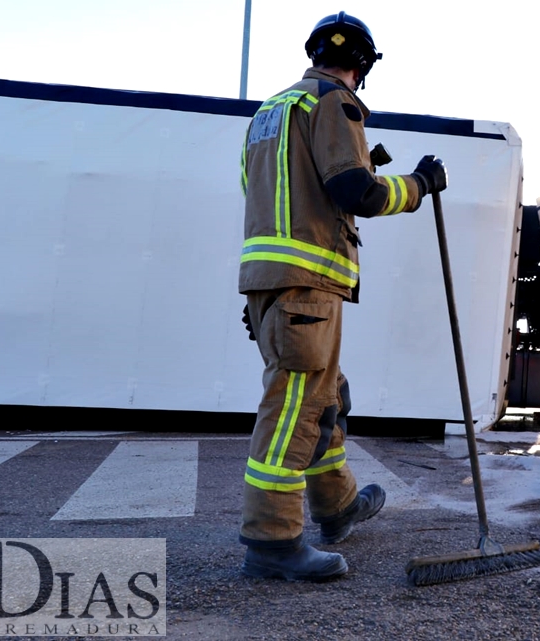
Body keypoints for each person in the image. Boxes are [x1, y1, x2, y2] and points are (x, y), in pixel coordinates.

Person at [236, 11, 448, 582]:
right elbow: (355, 190)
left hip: (270, 284)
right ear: (362, 66)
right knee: (296, 409)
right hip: (307, 284)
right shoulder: (335, 102)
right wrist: (418, 186)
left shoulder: (268, 114)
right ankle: (272, 541)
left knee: (327, 397)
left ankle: (337, 506)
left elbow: (262, 192)